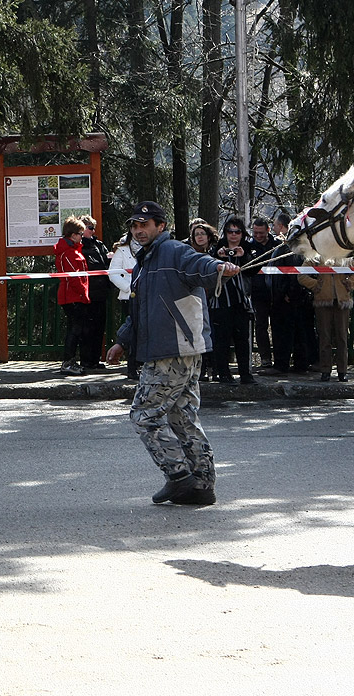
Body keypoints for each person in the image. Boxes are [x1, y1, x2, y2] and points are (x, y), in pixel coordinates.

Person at [106, 201, 240, 506]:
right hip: (177, 349)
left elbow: (201, 265)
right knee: (182, 417)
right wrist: (123, 341)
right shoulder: (145, 262)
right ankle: (203, 486)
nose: (138, 231)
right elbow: (139, 309)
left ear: (160, 226)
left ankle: (179, 477)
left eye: (145, 225)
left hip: (173, 350)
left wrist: (221, 267)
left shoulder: (175, 252)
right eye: (135, 226)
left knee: (143, 416)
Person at [207, 217, 260, 384]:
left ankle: (246, 374)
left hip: (241, 301)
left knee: (243, 340)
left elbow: (253, 270)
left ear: (242, 233)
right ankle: (224, 373)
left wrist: (243, 257)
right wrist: (219, 257)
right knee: (222, 339)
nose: (233, 235)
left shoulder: (249, 248)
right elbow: (209, 271)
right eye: (230, 231)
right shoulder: (217, 248)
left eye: (237, 231)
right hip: (221, 300)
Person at [297, 258, 354, 382]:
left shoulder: (344, 256)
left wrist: (348, 285)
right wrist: (316, 285)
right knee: (324, 337)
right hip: (322, 301)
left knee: (342, 338)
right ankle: (325, 370)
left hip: (342, 301)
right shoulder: (316, 257)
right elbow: (301, 275)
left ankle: (342, 371)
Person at [54, 215, 91, 376]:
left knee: (76, 329)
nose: (82, 237)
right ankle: (67, 362)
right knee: (74, 330)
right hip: (72, 297)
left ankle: (70, 361)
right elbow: (73, 277)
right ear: (73, 235)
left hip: (76, 296)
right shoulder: (67, 252)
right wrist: (84, 294)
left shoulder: (74, 251)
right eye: (80, 234)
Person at [79, 215, 111, 370]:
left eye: (93, 227)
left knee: (99, 327)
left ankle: (95, 359)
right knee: (87, 328)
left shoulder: (99, 244)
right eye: (89, 228)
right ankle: (85, 360)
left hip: (101, 292)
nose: (92, 231)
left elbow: (105, 262)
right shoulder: (78, 246)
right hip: (87, 293)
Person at [108, 228, 140, 379]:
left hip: (149, 295)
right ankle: (133, 367)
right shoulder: (122, 250)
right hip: (129, 296)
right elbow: (113, 273)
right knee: (132, 331)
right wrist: (129, 287)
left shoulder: (154, 247)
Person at [247, 217, 279, 368]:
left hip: (277, 293)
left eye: (261, 233)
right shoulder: (249, 247)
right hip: (258, 293)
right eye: (255, 233)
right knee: (260, 326)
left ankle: (280, 358)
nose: (258, 236)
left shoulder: (277, 246)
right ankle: (265, 358)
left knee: (279, 325)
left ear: (268, 230)